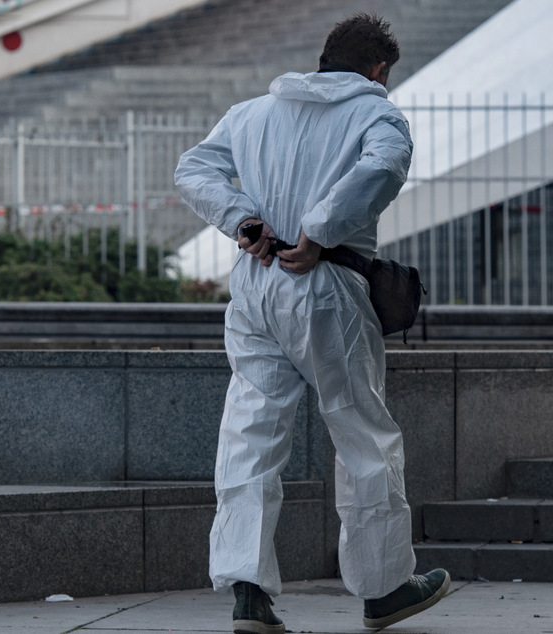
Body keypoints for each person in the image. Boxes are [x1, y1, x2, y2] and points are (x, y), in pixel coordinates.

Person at [174, 13, 450, 634]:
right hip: (327, 287)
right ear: (379, 71)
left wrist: (244, 222)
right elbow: (382, 169)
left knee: (250, 431)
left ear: (324, 58)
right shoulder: (377, 115)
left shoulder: (253, 113)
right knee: (361, 435)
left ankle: (247, 588)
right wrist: (319, 233)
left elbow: (192, 168)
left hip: (254, 285)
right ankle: (383, 589)